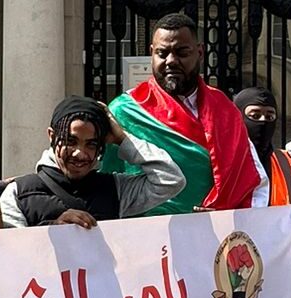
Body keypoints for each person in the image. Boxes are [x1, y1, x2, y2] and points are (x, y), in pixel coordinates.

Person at [99, 13, 268, 215]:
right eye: (162, 53)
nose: (171, 61)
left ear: (200, 52)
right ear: (152, 53)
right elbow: (105, 185)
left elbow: (248, 179)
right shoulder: (124, 111)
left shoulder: (225, 109)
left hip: (214, 230)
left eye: (181, 53)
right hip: (146, 232)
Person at [0, 95, 185, 227]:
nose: (80, 154)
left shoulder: (117, 190)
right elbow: (11, 257)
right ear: (51, 136)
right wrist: (53, 230)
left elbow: (171, 179)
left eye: (91, 144)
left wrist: (122, 139)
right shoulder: (17, 193)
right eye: (70, 141)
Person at [234, 86, 291, 205]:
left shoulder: (285, 162)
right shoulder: (221, 162)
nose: (263, 121)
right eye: (255, 116)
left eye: (270, 117)